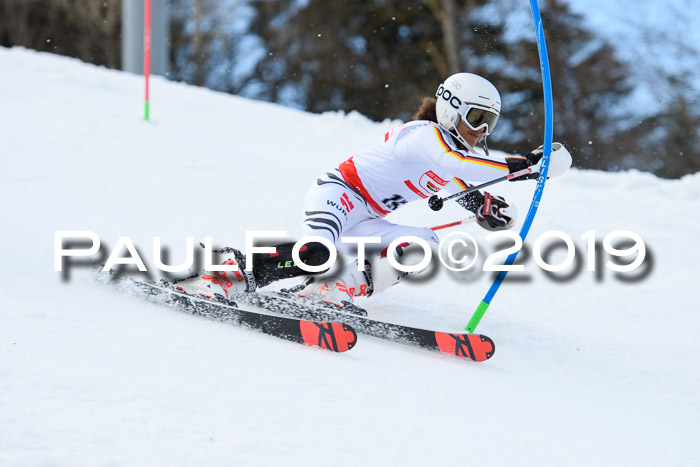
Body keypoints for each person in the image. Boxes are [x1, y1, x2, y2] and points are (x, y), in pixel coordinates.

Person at [177, 72, 571, 307]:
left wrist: (488, 208)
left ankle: (331, 289)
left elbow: (467, 184)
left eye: (490, 122)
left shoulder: (451, 157)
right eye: (476, 118)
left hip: (367, 217)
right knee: (317, 252)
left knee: (423, 247)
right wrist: (531, 167)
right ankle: (228, 271)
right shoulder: (423, 135)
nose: (482, 131)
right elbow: (458, 164)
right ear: (451, 107)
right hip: (338, 195)